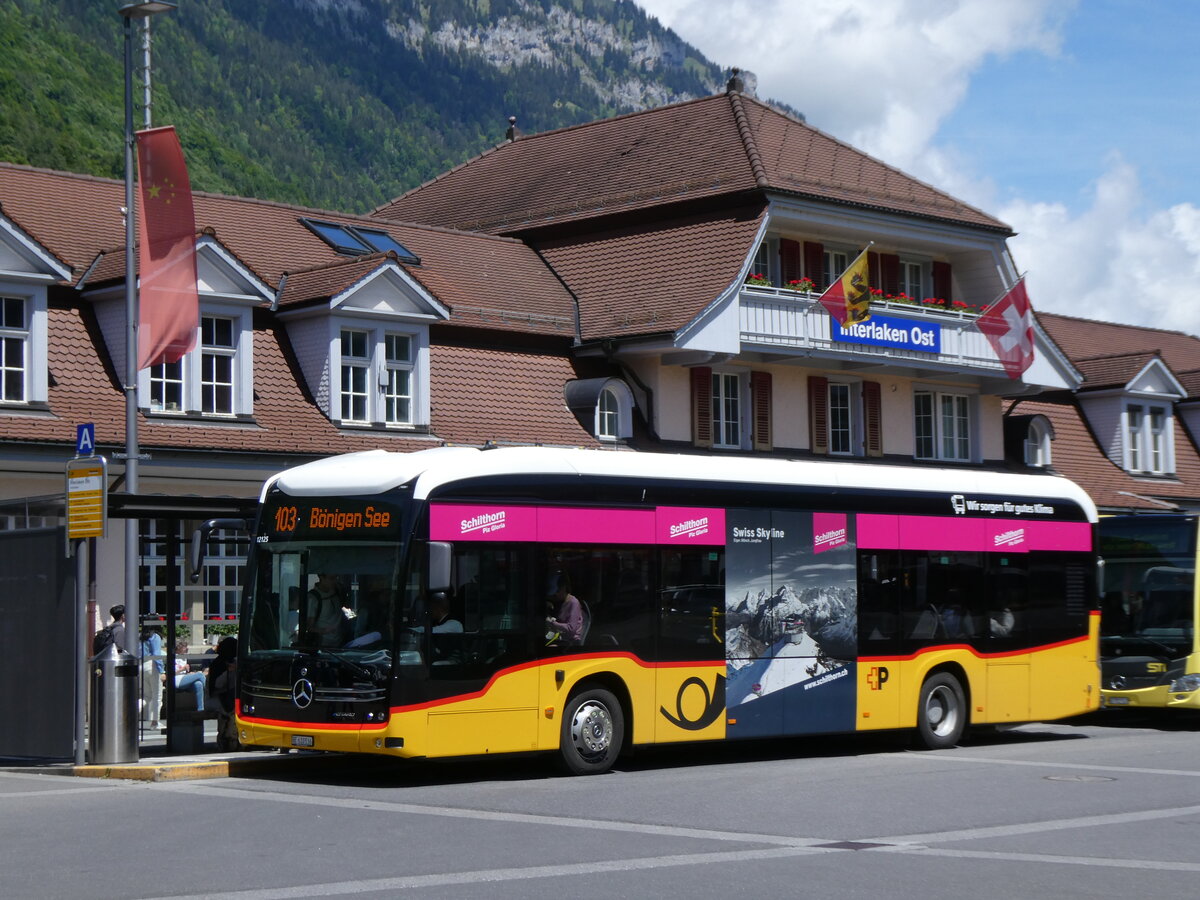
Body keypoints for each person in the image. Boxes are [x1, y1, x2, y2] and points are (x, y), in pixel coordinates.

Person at [208, 636, 239, 751]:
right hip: (219, 698)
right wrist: (230, 671)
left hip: (228, 698)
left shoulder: (234, 663)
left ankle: (229, 738)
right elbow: (217, 686)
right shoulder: (219, 664)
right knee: (230, 711)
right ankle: (229, 738)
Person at [307, 573, 347, 647]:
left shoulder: (337, 589)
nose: (335, 581)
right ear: (321, 577)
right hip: (324, 644)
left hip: (341, 641)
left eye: (336, 578)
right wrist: (325, 630)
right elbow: (309, 627)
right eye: (331, 578)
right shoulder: (313, 598)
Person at [545, 572, 583, 646]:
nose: (555, 595)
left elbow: (571, 629)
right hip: (559, 636)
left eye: (557, 592)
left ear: (564, 588)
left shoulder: (574, 603)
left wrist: (553, 623)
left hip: (571, 641)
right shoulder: (559, 601)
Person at [139, 625, 165, 730]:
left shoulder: (140, 637)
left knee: (146, 696)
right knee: (157, 696)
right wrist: (161, 670)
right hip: (152, 665)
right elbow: (156, 654)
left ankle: (131, 712)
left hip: (142, 665)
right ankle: (155, 722)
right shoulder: (155, 637)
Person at [173, 639, 205, 710]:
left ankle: (201, 710)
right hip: (176, 680)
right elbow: (171, 673)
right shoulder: (173, 657)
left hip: (184, 678)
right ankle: (210, 693)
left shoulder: (184, 656)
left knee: (198, 684)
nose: (187, 648)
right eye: (185, 647)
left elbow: (185, 672)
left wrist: (190, 673)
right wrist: (183, 669)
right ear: (179, 647)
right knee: (200, 675)